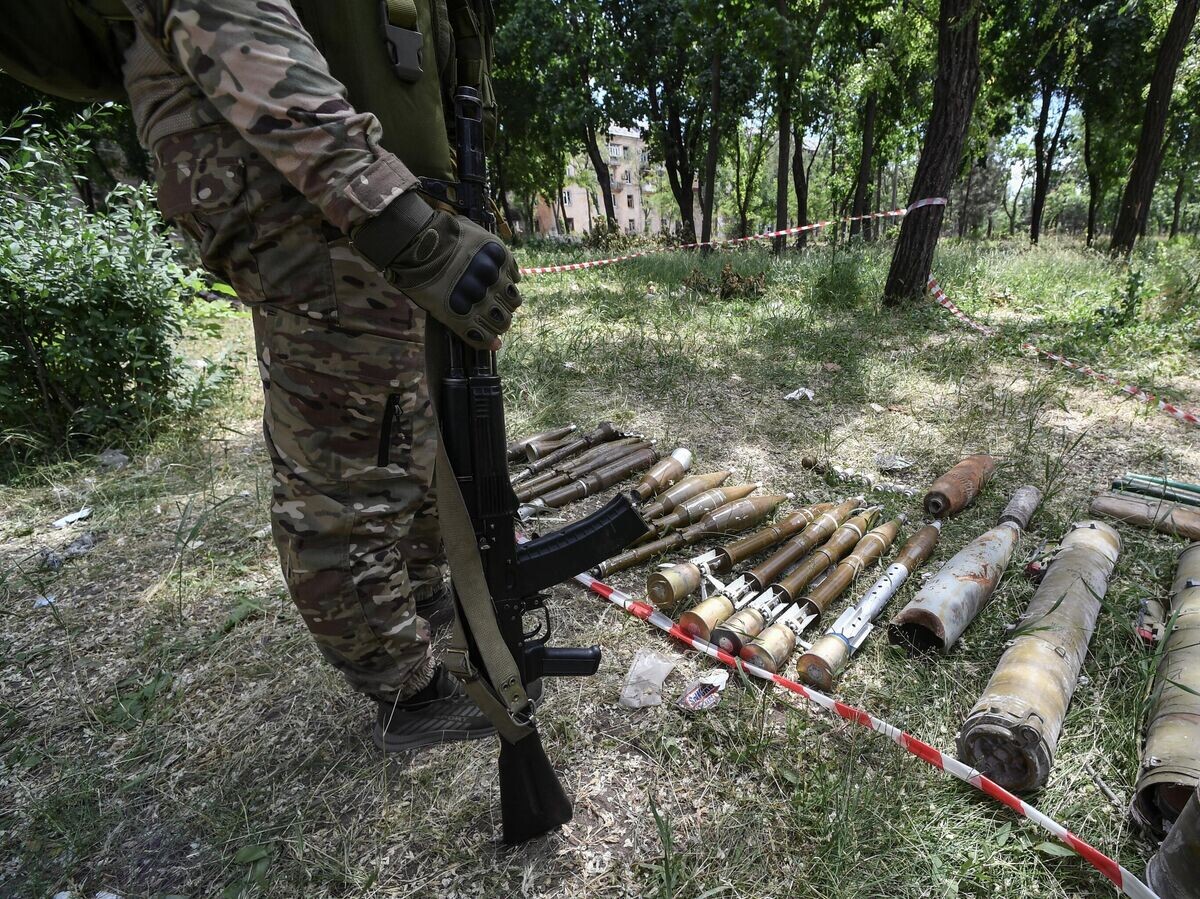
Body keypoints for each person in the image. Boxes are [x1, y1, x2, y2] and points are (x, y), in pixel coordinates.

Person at [117, 0, 522, 750]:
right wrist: (395, 218)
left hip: (389, 200)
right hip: (319, 202)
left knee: (415, 430)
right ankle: (405, 689)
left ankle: (424, 597)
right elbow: (231, 26)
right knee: (349, 472)